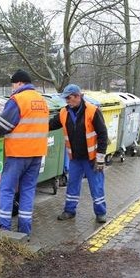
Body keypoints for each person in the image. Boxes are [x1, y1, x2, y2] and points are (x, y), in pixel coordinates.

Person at [0, 69, 49, 235]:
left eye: (13, 84)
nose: (12, 87)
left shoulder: (18, 100)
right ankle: (25, 230)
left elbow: (0, 126)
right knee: (27, 190)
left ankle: (4, 229)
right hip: (37, 154)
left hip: (18, 154)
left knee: (6, 189)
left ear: (19, 83)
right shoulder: (42, 100)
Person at [49, 84, 109, 223]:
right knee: (72, 185)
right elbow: (51, 124)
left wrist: (100, 157)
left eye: (68, 98)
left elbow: (102, 134)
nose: (67, 101)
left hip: (92, 159)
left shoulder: (93, 111)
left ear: (77, 96)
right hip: (75, 158)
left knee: (96, 186)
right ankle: (69, 211)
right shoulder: (64, 112)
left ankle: (101, 213)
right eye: (65, 99)